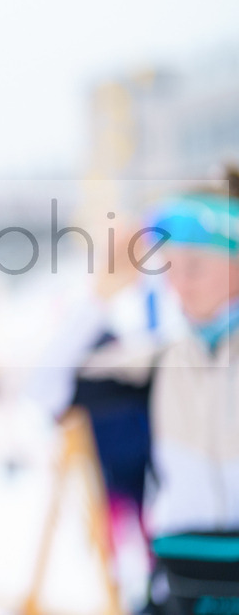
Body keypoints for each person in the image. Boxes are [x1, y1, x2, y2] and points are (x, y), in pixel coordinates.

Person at [138, 174, 239, 614]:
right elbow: (45, 390)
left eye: (195, 266)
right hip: (182, 589)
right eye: (170, 267)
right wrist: (100, 293)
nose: (179, 284)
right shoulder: (159, 359)